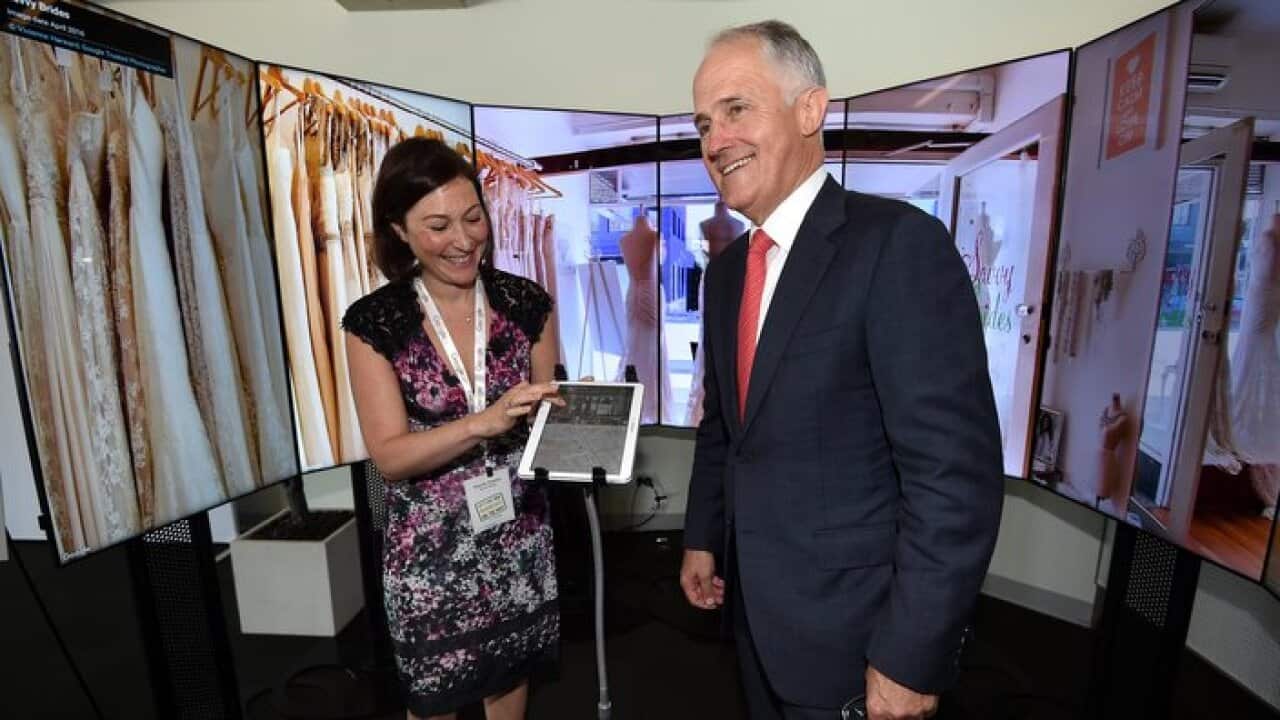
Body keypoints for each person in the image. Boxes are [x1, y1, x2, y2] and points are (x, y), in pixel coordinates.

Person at [679, 21, 1004, 720]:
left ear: (810, 110)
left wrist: (911, 655)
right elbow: (726, 429)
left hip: (859, 638)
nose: (715, 141)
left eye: (737, 109)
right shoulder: (728, 274)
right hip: (755, 621)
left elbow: (953, 477)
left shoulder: (897, 245)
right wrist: (703, 535)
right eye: (704, 124)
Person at [342, 137, 564, 720]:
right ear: (399, 230)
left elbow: (550, 423)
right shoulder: (375, 323)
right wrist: (481, 424)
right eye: (438, 226)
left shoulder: (527, 304)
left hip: (519, 538)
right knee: (434, 703)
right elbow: (390, 457)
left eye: (473, 218)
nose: (463, 240)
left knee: (510, 688)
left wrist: (582, 414)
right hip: (430, 557)